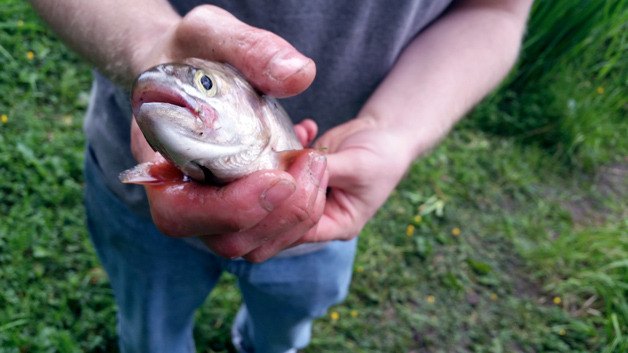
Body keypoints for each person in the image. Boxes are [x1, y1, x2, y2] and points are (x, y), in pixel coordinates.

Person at [30, 0, 533, 352]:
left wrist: (393, 131)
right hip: (137, 208)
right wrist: (150, 46)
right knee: (149, 327)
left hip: (323, 213)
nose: (161, 86)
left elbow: (494, 8)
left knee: (289, 317)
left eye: (204, 84)